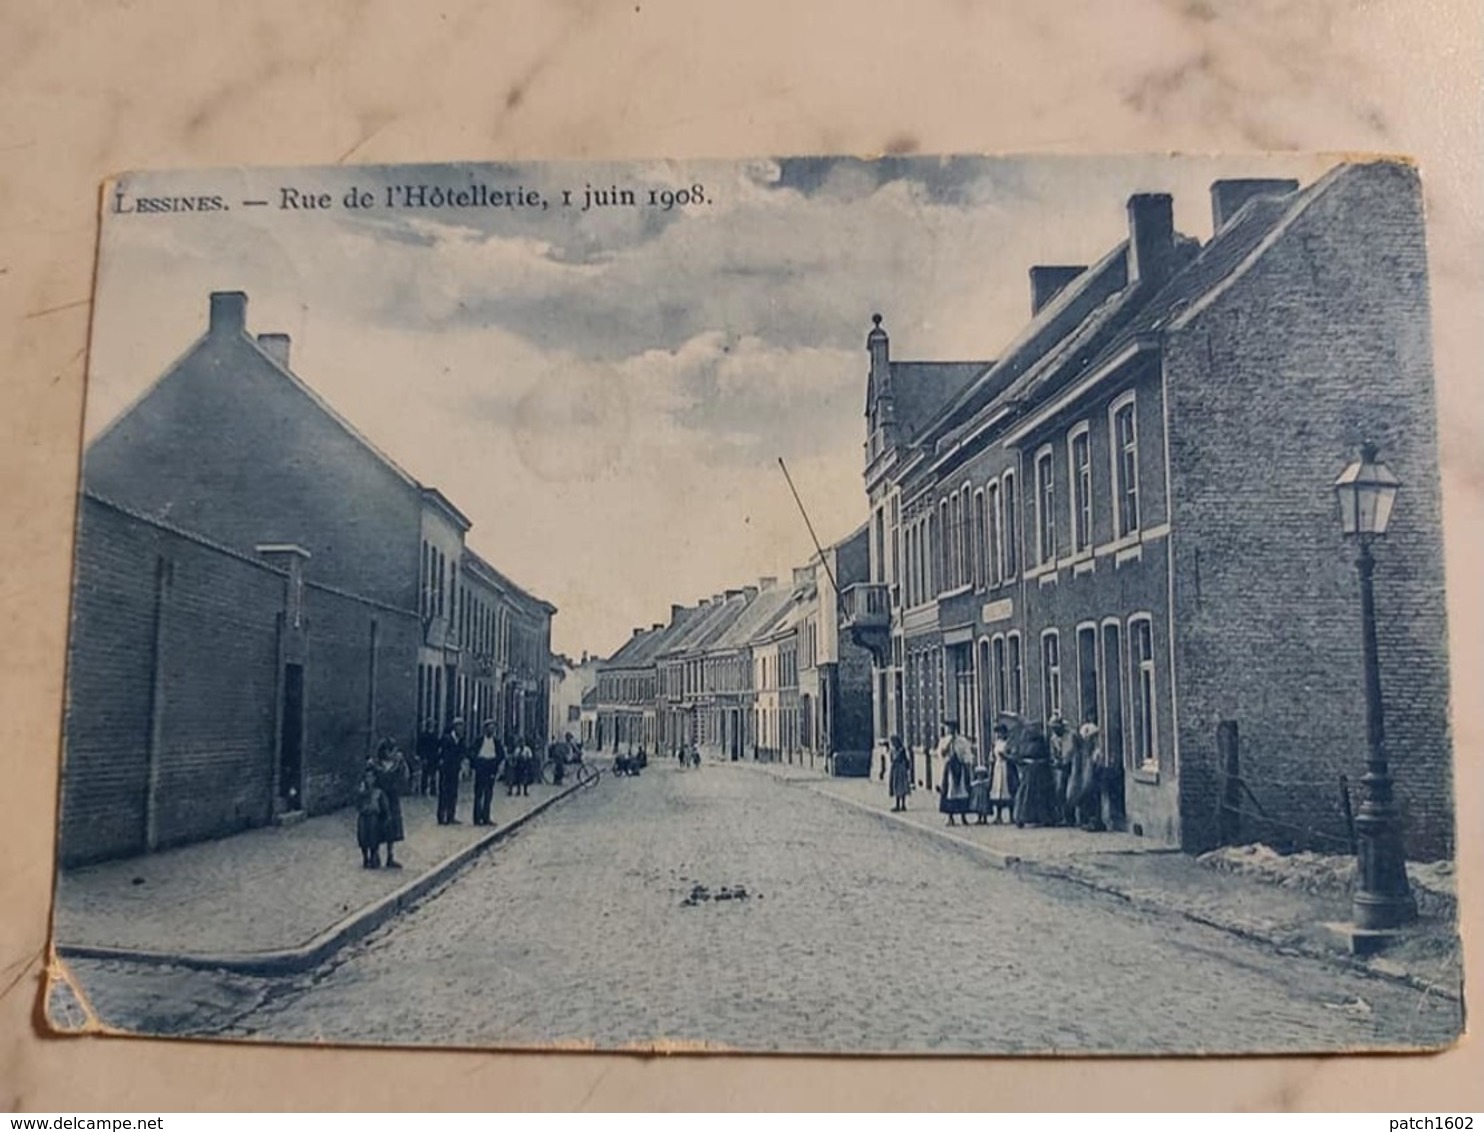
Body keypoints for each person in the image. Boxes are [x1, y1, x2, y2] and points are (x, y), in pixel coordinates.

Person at [1011, 723, 1056, 828]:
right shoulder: (1024, 744)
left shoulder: (1042, 743)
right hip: (1029, 773)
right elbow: (1019, 758)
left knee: (1039, 794)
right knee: (1026, 794)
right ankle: (1023, 817)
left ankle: (1044, 817)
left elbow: (1046, 757)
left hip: (1040, 772)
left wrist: (1039, 762)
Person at [373, 738, 410, 868]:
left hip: (392, 796)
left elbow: (405, 777)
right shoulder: (375, 764)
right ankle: (375, 854)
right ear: (385, 751)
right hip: (379, 798)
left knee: (392, 826)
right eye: (392, 750)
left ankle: (390, 856)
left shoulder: (398, 764)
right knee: (376, 826)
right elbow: (370, 780)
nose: (395, 753)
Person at [935, 720, 973, 826]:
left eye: (952, 728)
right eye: (949, 728)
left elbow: (967, 755)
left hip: (960, 768)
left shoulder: (962, 741)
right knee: (949, 792)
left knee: (962, 791)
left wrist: (964, 762)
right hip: (949, 769)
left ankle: (963, 816)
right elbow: (941, 754)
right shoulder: (944, 741)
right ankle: (950, 817)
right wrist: (948, 745)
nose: (950, 730)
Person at [471, 721, 505, 826]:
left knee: (488, 794)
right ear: (485, 729)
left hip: (491, 768)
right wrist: (476, 762)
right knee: (478, 793)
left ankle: (486, 817)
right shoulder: (479, 741)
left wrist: (496, 763)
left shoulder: (496, 742)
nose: (491, 730)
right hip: (481, 767)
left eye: (493, 728)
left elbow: (501, 754)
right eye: (489, 728)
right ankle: (477, 818)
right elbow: (471, 752)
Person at [355, 764, 388, 869]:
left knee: (374, 836)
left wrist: (384, 817)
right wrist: (361, 794)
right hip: (364, 816)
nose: (369, 780)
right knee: (363, 836)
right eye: (367, 777)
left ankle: (374, 855)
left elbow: (384, 807)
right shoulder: (362, 791)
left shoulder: (378, 792)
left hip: (374, 817)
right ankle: (365, 857)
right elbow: (357, 805)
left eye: (371, 777)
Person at [1076, 722, 1107, 831]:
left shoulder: (1096, 750)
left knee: (1094, 800)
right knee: (1088, 800)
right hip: (1088, 777)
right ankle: (1091, 820)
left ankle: (1096, 821)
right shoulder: (1087, 750)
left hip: (1094, 777)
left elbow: (1098, 763)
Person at [436, 718, 467, 825]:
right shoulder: (446, 739)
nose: (461, 729)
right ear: (455, 727)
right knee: (444, 793)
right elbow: (440, 752)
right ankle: (441, 817)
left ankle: (450, 816)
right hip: (446, 769)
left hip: (455, 770)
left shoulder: (461, 740)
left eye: (462, 727)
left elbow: (463, 753)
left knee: (453, 793)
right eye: (460, 726)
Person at [1048, 714, 1078, 827]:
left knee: (1071, 791)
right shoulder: (1053, 739)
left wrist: (1067, 760)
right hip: (1061, 768)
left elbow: (1074, 751)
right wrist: (1056, 760)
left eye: (1056, 728)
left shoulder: (1071, 736)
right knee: (1060, 791)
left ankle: (1073, 817)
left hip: (1072, 766)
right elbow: (1053, 753)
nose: (1055, 730)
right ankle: (1064, 816)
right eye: (1053, 728)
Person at [988, 724, 1015, 824]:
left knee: (1008, 790)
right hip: (997, 768)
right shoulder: (996, 743)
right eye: (998, 733)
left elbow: (1013, 755)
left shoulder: (1009, 743)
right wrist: (992, 759)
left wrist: (1006, 756)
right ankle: (998, 816)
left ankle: (1011, 816)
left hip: (1007, 767)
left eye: (1001, 732)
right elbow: (992, 756)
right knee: (997, 791)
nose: (1000, 734)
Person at [970, 741, 993, 825]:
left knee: (984, 806)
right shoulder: (976, 783)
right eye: (979, 775)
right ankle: (979, 818)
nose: (980, 777)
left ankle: (984, 818)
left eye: (982, 775)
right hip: (978, 797)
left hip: (984, 798)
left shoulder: (985, 783)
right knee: (978, 806)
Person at [888, 735, 912, 812]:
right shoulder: (893, 750)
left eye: (893, 742)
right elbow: (891, 759)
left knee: (902, 787)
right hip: (895, 770)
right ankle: (898, 804)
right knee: (896, 787)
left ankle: (903, 805)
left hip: (901, 769)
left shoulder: (902, 750)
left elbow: (904, 759)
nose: (892, 744)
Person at [417, 718, 440, 797]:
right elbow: (420, 747)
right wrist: (422, 757)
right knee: (425, 774)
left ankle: (433, 790)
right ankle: (424, 789)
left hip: (433, 757)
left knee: (433, 774)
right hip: (426, 757)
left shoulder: (434, 735)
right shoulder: (424, 735)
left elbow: (437, 746)